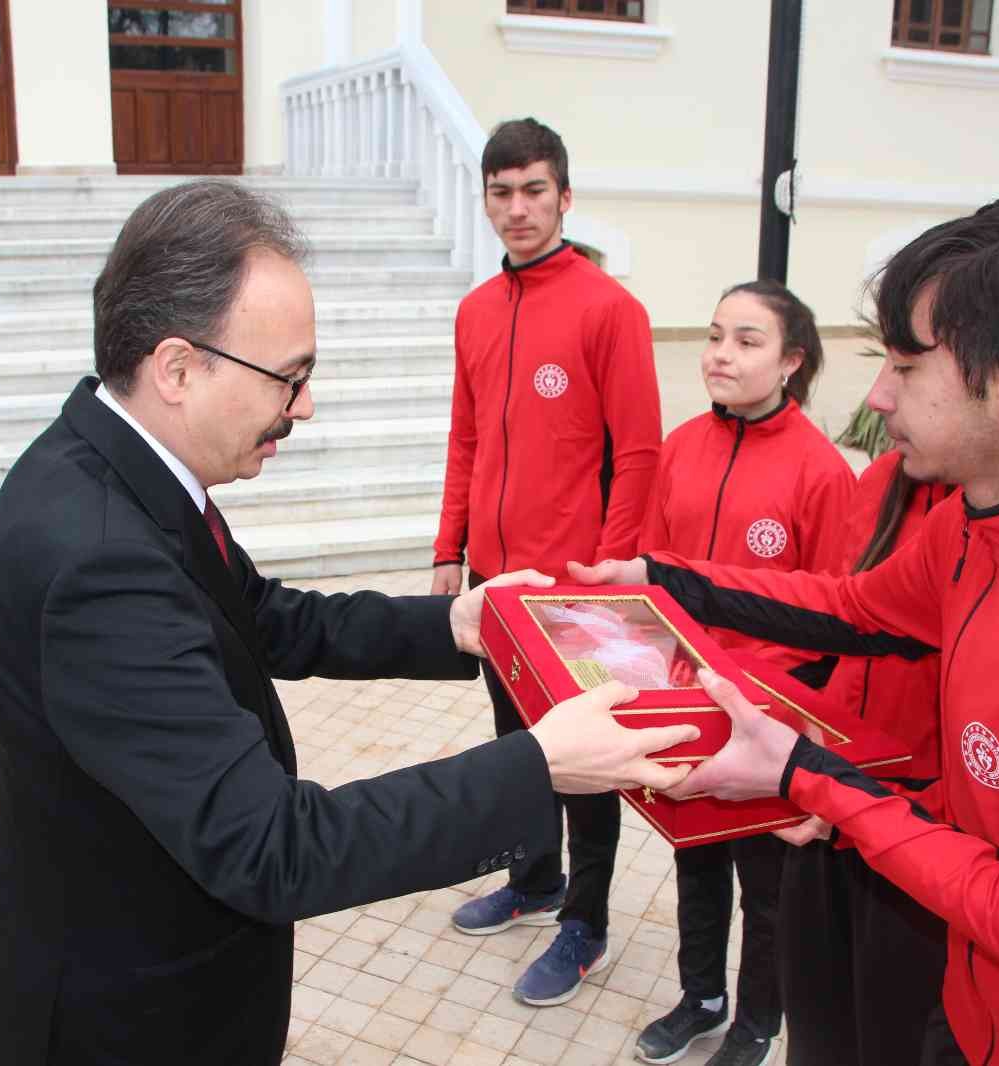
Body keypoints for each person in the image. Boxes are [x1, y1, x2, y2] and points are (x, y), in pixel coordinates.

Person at [0, 179, 698, 1066]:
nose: (303, 407)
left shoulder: (120, 464)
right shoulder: (100, 558)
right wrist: (537, 765)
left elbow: (264, 617)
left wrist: (455, 624)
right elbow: (274, 846)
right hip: (132, 1016)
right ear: (177, 367)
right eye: (290, 377)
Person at [571, 196, 999, 1065]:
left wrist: (808, 779)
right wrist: (661, 578)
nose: (878, 396)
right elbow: (854, 610)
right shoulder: (977, 526)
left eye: (905, 364)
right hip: (972, 1016)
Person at [431, 117, 663, 1007]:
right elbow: (466, 438)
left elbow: (638, 453)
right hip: (495, 580)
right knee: (515, 745)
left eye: (534, 189)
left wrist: (610, 577)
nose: (517, 208)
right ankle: (535, 881)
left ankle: (588, 923)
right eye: (501, 191)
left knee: (587, 761)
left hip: (575, 589)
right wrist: (450, 551)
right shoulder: (476, 312)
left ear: (565, 196)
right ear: (486, 199)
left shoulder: (611, 308)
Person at [633, 279, 852, 1066]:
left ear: (792, 362)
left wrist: (785, 715)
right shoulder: (683, 445)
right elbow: (656, 576)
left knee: (767, 885)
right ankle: (701, 996)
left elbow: (835, 618)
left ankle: (760, 1016)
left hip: (768, 725)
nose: (722, 354)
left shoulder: (822, 473)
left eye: (747, 341)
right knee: (694, 858)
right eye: (717, 335)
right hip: (687, 703)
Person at [774, 447, 953, 1066]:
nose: (879, 394)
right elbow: (839, 625)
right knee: (819, 1032)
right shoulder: (883, 477)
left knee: (894, 1038)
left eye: (907, 366)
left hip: (924, 836)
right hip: (836, 803)